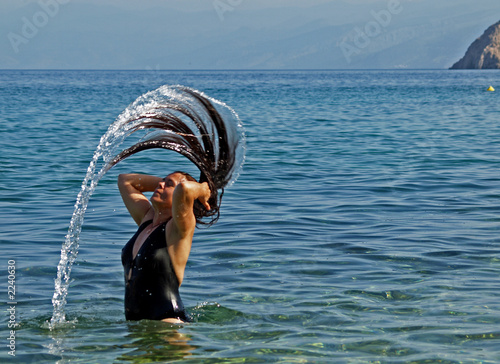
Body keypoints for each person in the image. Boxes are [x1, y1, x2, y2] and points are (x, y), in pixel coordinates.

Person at [118, 171, 211, 323]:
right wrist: (165, 184)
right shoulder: (146, 220)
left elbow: (185, 189)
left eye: (169, 185)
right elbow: (125, 181)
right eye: (162, 181)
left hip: (169, 324)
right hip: (137, 326)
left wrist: (203, 189)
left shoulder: (178, 228)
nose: (160, 185)